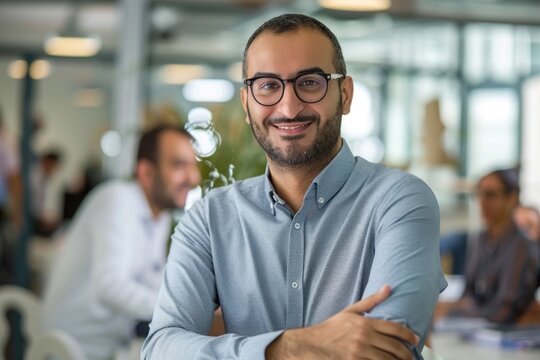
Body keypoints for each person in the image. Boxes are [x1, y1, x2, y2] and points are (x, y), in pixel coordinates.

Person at [142, 14, 446, 360]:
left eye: (310, 82)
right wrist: (288, 347)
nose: (288, 107)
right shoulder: (211, 219)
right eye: (268, 85)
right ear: (246, 104)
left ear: (344, 95)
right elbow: (160, 350)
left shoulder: (400, 200)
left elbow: (388, 351)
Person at [42, 124, 201, 360]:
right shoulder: (117, 200)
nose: (193, 177)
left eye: (193, 165)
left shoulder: (159, 214)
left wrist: (199, 296)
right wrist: (185, 309)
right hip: (70, 350)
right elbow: (111, 286)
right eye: (179, 165)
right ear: (146, 172)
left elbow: (152, 278)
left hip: (113, 347)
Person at [449, 169, 538, 323]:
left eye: (490, 195)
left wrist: (456, 312)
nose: (482, 201)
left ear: (512, 198)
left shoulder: (521, 247)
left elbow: (504, 311)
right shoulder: (479, 240)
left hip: (503, 336)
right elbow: (468, 294)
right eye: (479, 194)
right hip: (471, 329)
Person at [31, 150, 62, 237]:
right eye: (51, 164)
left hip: (48, 223)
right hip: (33, 220)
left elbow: (54, 202)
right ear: (45, 162)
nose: (53, 168)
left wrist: (54, 218)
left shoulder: (54, 180)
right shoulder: (33, 178)